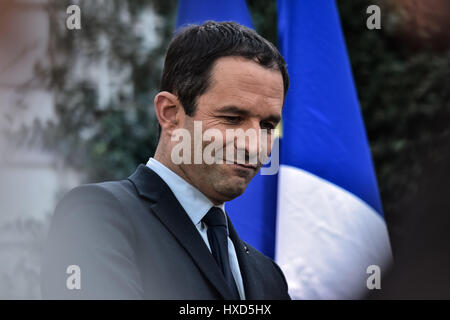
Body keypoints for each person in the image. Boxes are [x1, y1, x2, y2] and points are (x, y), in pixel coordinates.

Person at [40, 21, 291, 299]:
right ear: (170, 113)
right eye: (232, 119)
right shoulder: (96, 217)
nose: (254, 144)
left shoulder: (268, 275)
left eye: (268, 126)